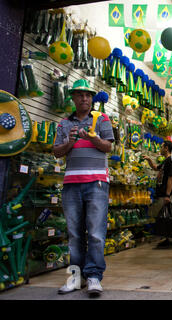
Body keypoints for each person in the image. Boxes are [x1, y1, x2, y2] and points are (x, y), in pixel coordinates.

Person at [53, 79, 115, 296]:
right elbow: (57, 152)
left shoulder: (102, 119)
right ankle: (75, 278)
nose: (85, 99)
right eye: (80, 95)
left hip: (97, 183)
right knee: (74, 234)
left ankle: (94, 277)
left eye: (88, 95)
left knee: (96, 233)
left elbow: (108, 146)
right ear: (73, 98)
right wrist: (70, 142)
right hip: (71, 184)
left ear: (92, 98)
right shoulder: (63, 123)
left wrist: (94, 137)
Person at [143, 140, 172, 248]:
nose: (160, 148)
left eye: (162, 147)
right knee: (165, 216)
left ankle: (170, 240)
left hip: (167, 194)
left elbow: (171, 178)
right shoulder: (165, 161)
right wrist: (149, 160)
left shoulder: (171, 161)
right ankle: (168, 239)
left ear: (166, 148)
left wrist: (167, 195)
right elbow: (155, 168)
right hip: (164, 193)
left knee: (168, 216)